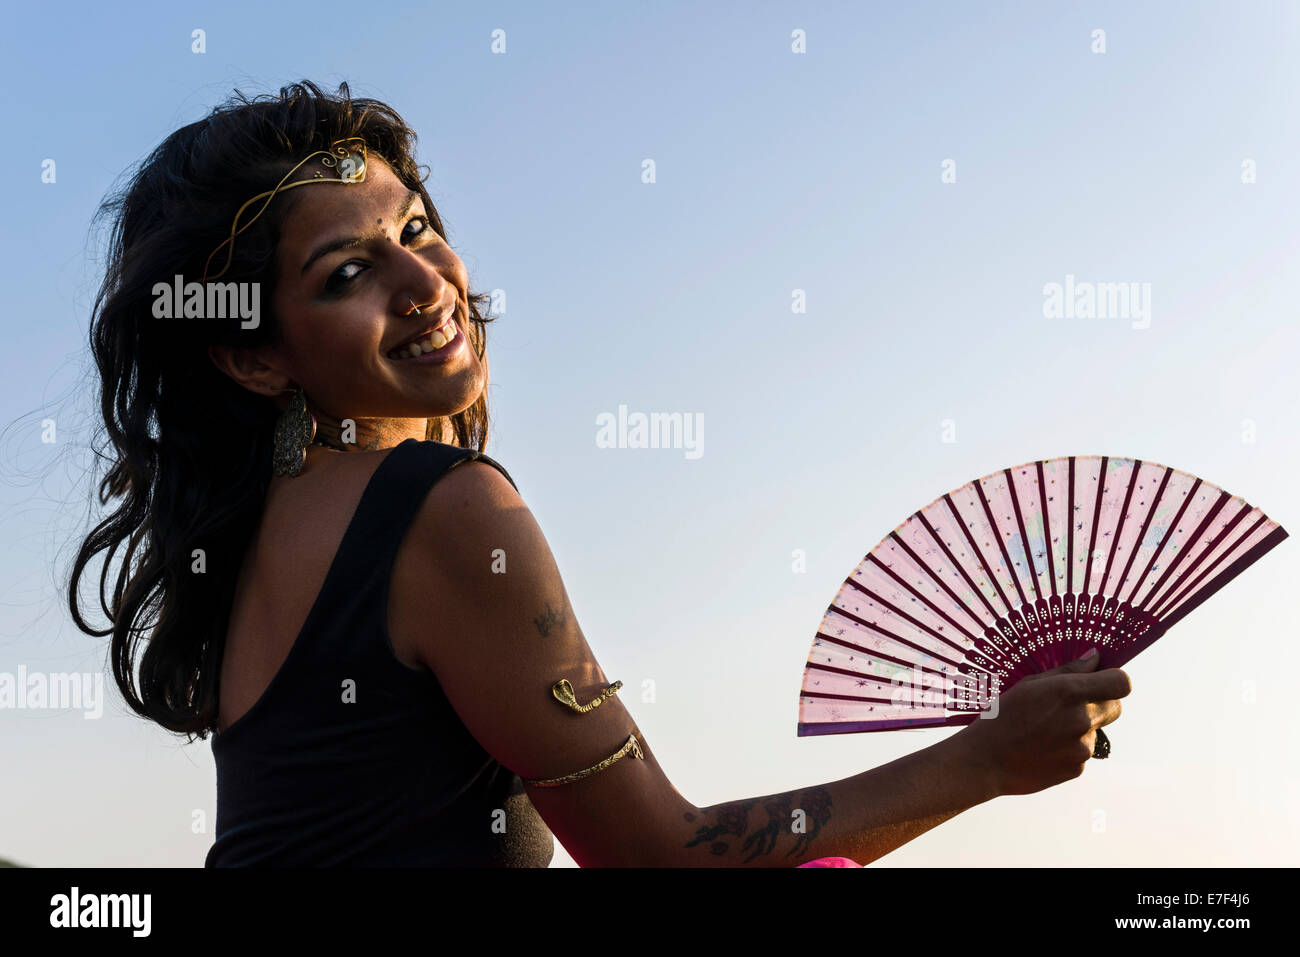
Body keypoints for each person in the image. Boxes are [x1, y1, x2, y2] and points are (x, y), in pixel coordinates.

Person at [69, 80, 1131, 867]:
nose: (423, 282)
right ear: (253, 353)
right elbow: (662, 858)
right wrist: (988, 759)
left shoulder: (269, 528)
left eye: (416, 229)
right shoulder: (442, 511)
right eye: (347, 272)